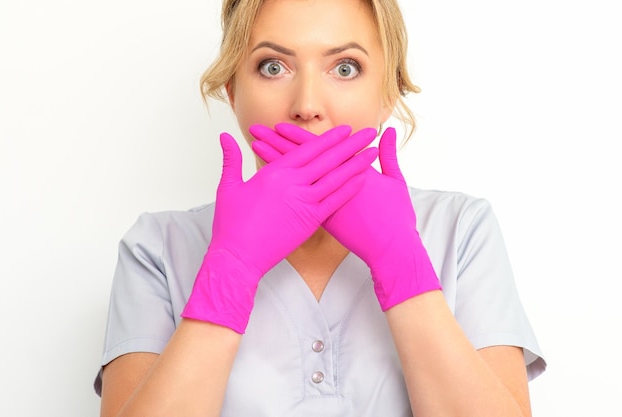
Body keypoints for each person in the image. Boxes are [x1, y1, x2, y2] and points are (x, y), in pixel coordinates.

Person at [95, 0, 546, 416]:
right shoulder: (156, 248)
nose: (307, 106)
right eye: (273, 67)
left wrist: (403, 266)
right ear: (233, 93)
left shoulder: (461, 230)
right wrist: (230, 271)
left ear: (388, 92)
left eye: (345, 68)